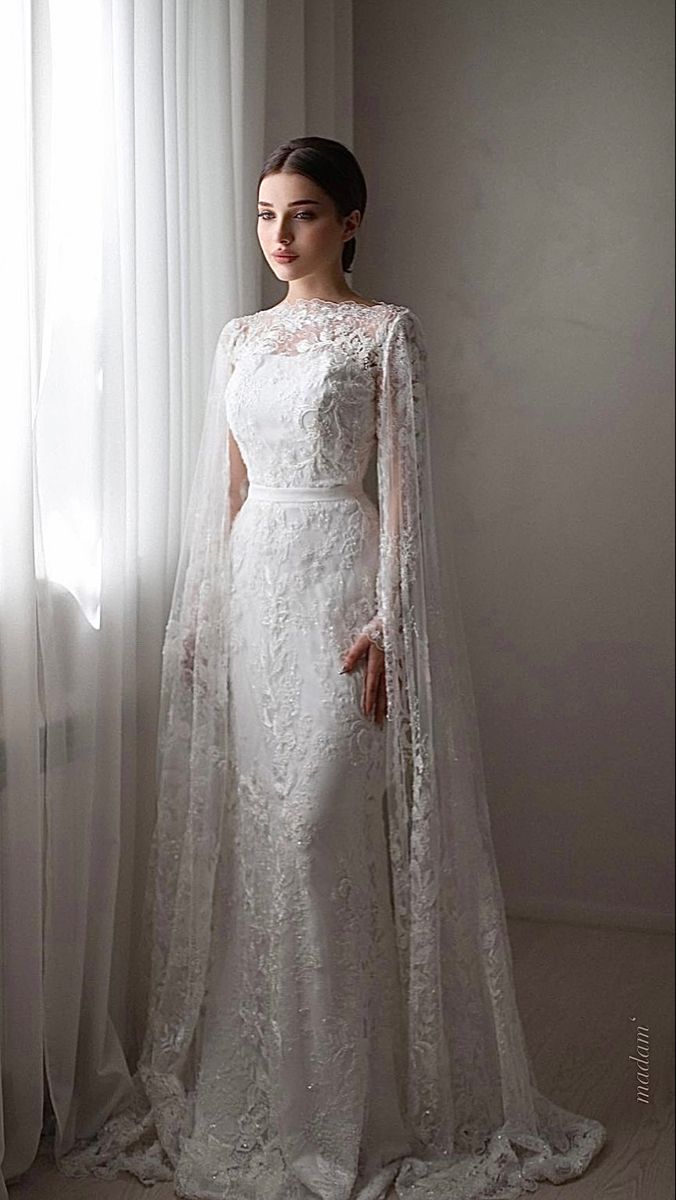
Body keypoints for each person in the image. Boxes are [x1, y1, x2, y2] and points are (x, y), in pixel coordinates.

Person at [56, 137, 607, 1199]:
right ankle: (266, 1088)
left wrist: (390, 621)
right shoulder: (239, 341)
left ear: (349, 220)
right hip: (254, 585)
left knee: (319, 835)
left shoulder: (384, 334)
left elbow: (403, 493)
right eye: (265, 214)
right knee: (263, 844)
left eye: (302, 213)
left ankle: (350, 1108)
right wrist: (196, 617)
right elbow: (223, 491)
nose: (279, 235)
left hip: (340, 593)